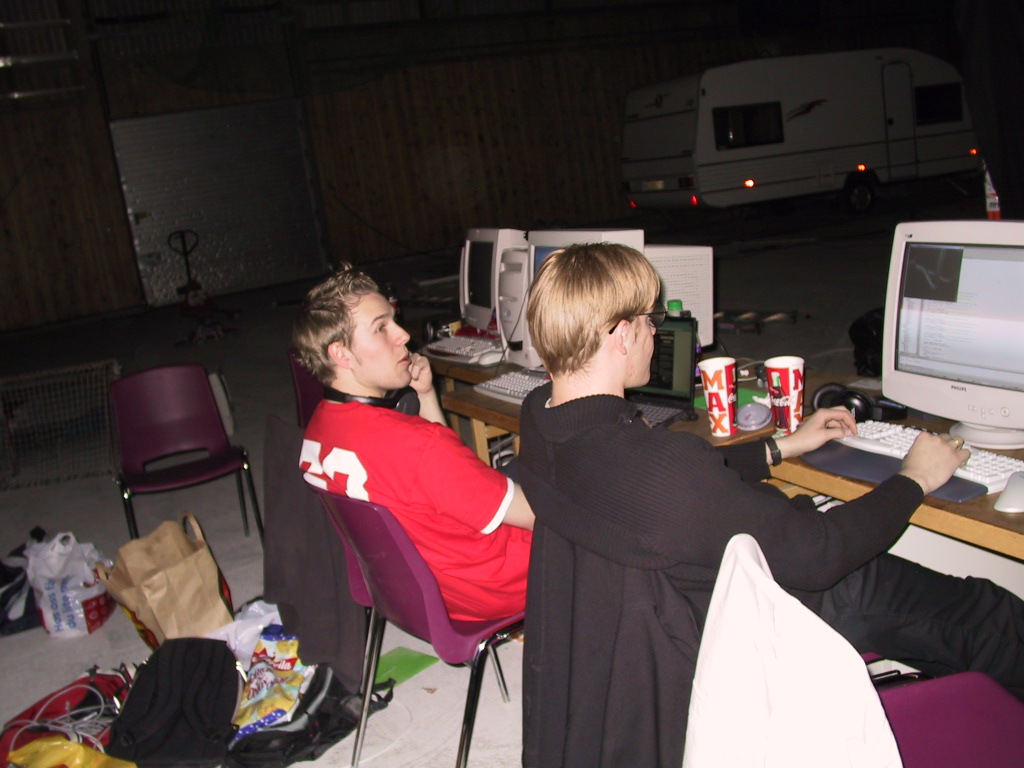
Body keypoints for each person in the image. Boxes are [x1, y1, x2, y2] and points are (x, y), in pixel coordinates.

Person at [516, 242, 1024, 768]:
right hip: (775, 605)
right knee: (987, 613)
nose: (654, 333)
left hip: (686, 597)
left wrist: (780, 447)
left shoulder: (543, 419)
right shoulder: (661, 470)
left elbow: (665, 488)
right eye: (649, 320)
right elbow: (820, 554)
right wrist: (915, 478)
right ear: (621, 335)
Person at [293, 265, 534, 622]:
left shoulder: (317, 429)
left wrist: (426, 396)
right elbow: (536, 515)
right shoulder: (416, 446)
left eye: (393, 320)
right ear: (341, 354)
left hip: (419, 593)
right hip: (503, 586)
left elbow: (442, 480)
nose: (403, 334)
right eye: (381, 328)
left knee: (520, 468)